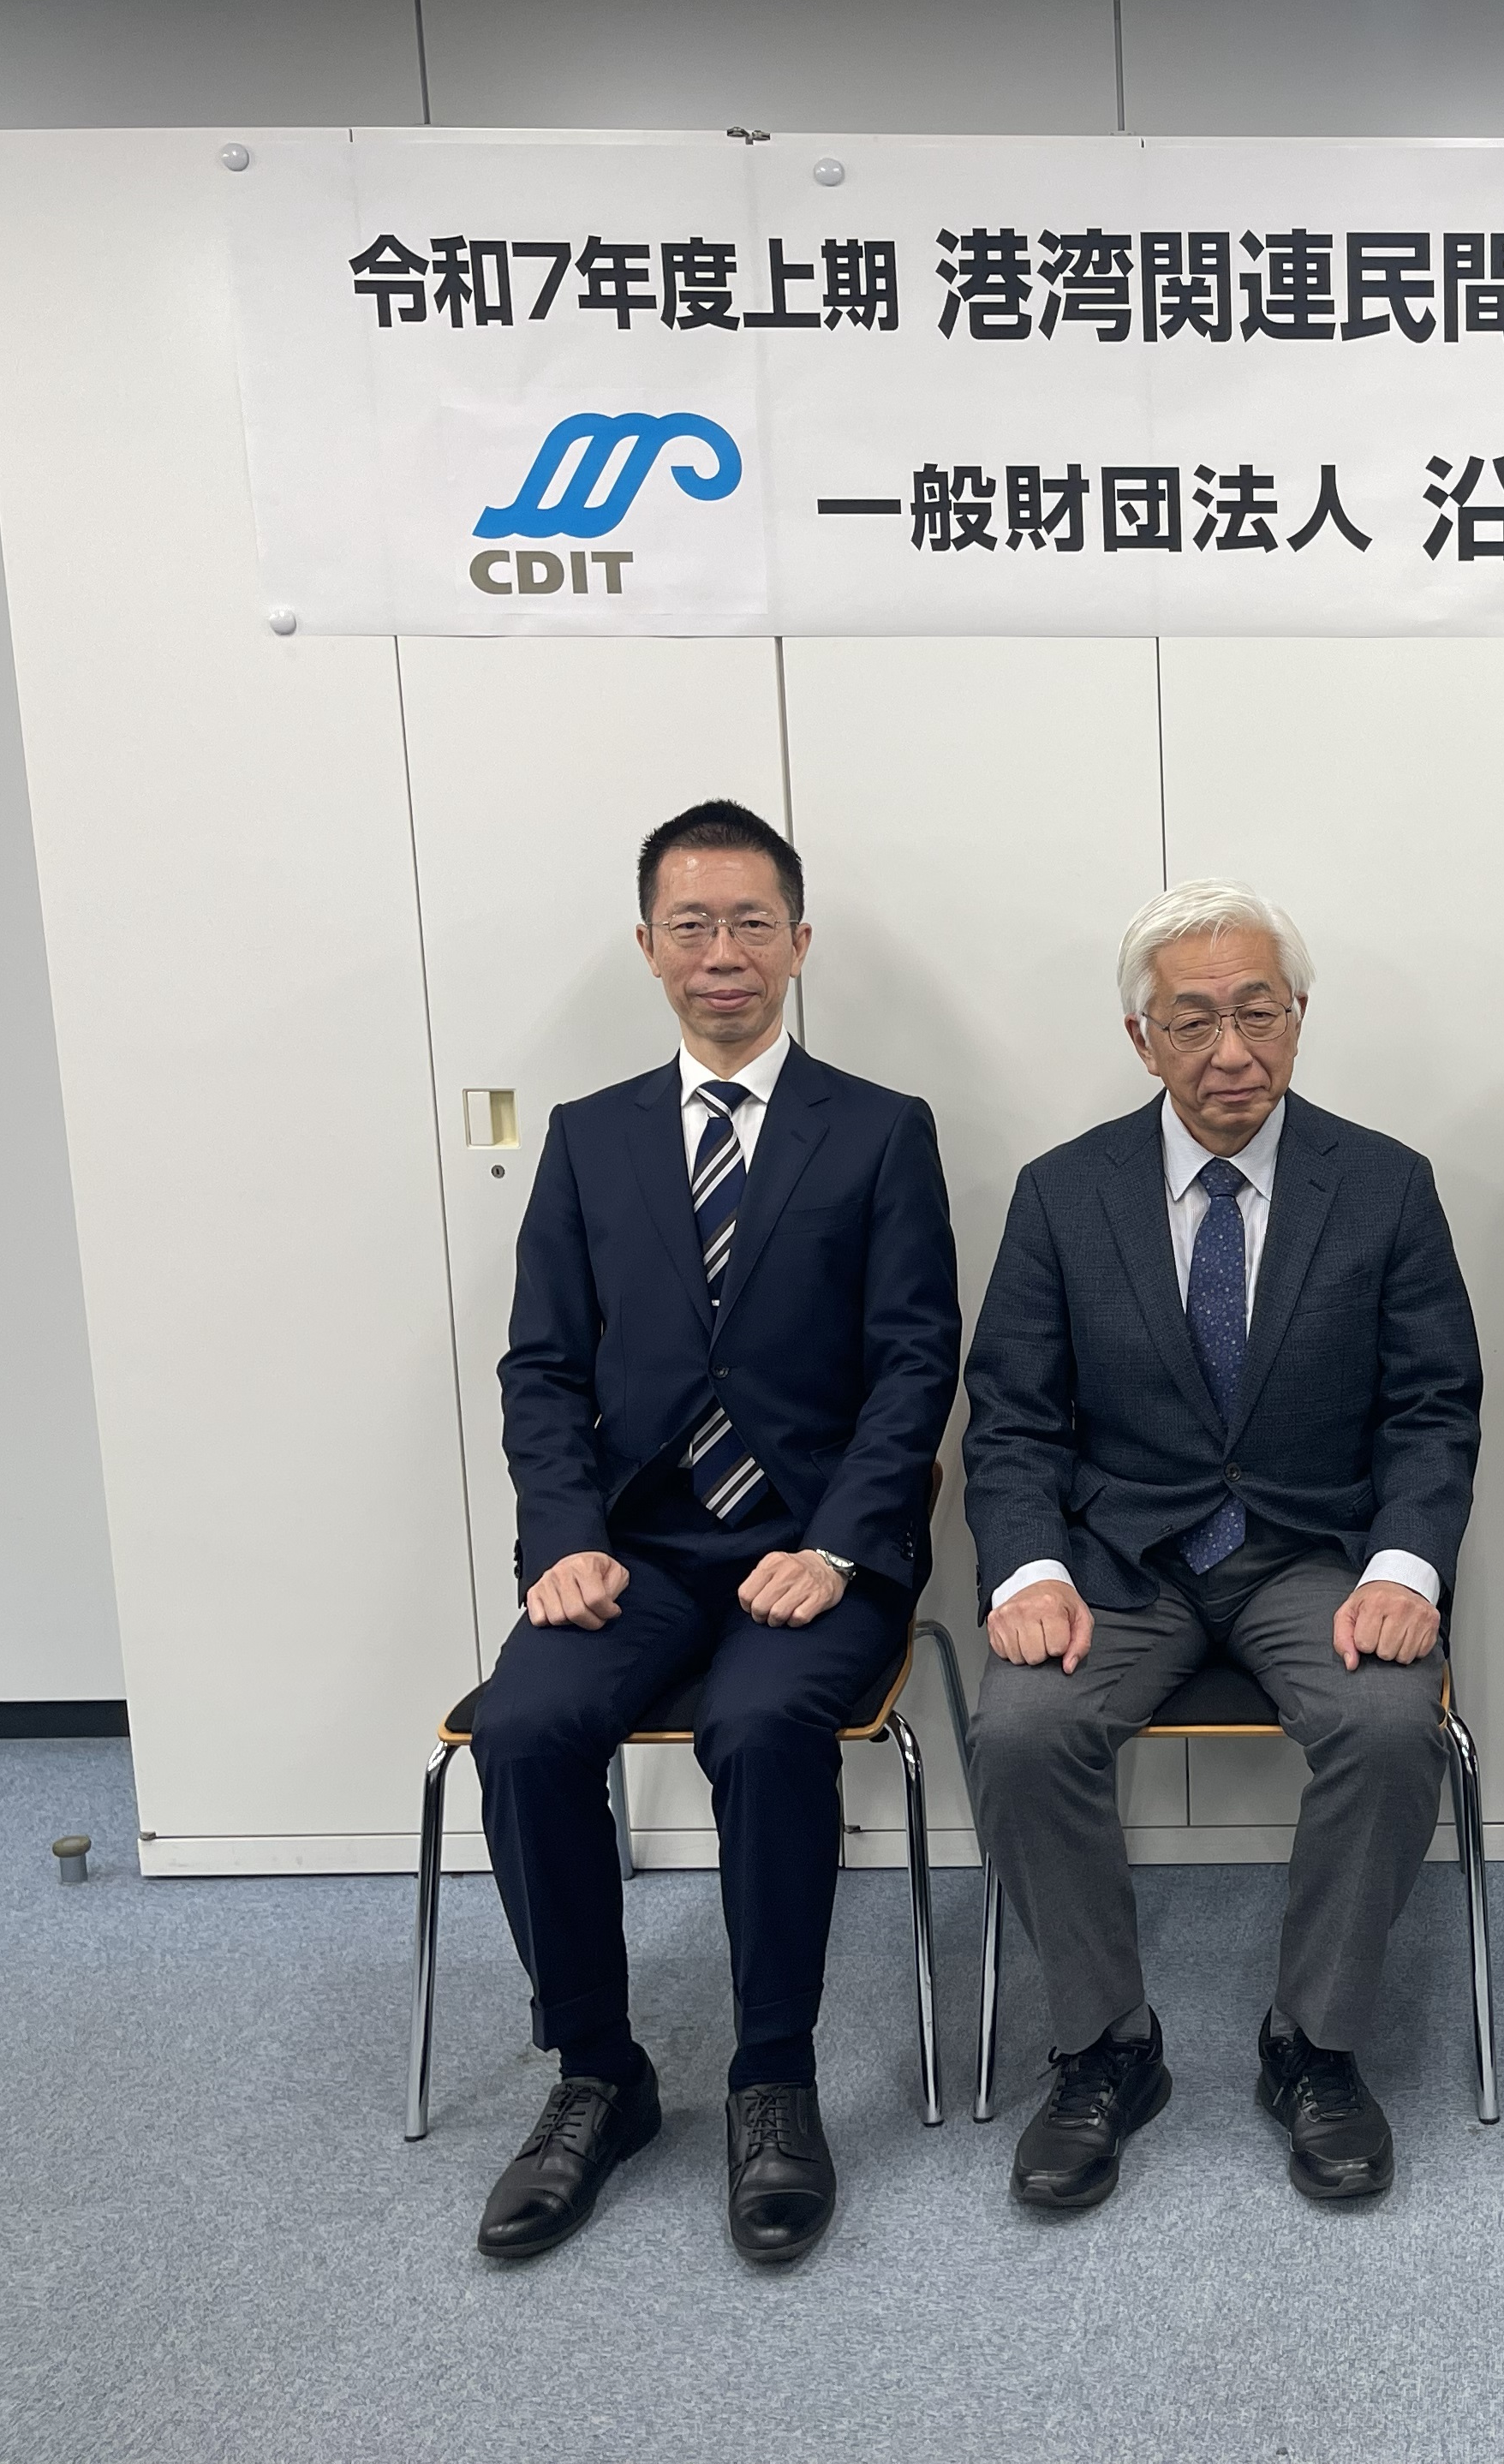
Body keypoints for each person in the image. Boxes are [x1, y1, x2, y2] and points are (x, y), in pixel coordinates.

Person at [472, 798, 963, 2265]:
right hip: (633, 1549)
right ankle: (598, 2074)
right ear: (649, 947)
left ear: (799, 943)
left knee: (759, 1729)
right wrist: (562, 1536)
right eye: (692, 925)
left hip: (814, 1548)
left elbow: (915, 1367)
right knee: (522, 1727)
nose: (723, 953)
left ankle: (773, 2079)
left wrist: (844, 1547)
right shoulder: (589, 1140)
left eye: (752, 923)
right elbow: (542, 1367)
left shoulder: (879, 1130)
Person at [962, 881, 1485, 2210]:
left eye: (1259, 1012)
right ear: (1142, 1039)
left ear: (1300, 1018)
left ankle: (1314, 2046)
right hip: (1120, 1559)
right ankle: (1105, 2048)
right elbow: (1011, 1416)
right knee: (1020, 1728)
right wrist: (1028, 1570)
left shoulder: (1383, 1185)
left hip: (1313, 1551)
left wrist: (1405, 1567)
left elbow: (1434, 1406)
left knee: (1388, 1724)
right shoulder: (1063, 1194)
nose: (1232, 1050)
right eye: (1194, 1021)